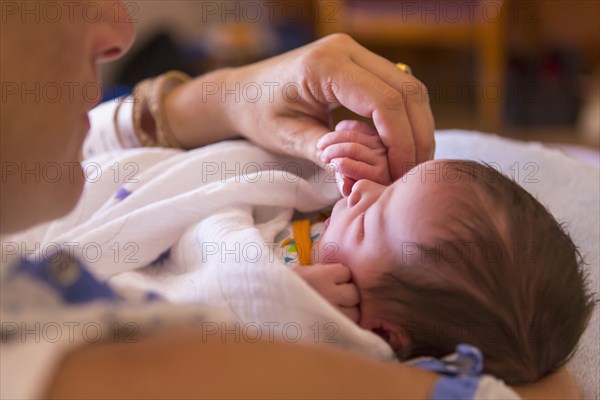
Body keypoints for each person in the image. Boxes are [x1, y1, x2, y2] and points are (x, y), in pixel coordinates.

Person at [0, 1, 581, 398]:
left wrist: (219, 100)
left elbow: (221, 299)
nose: (119, 30)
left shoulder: (332, 328)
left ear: (386, 335)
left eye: (383, 200)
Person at [287, 120, 594, 385]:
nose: (362, 189)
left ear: (383, 334)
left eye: (366, 224)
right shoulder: (361, 246)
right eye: (394, 186)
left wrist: (289, 302)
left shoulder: (317, 344)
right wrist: (356, 161)